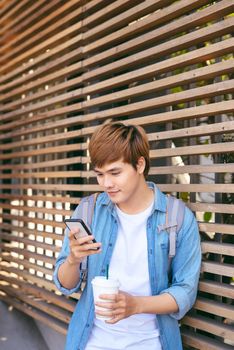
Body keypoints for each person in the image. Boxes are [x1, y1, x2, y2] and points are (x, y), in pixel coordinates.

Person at [54, 122, 201, 350]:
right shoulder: (88, 211)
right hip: (91, 343)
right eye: (100, 175)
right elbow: (65, 284)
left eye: (115, 173)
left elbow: (185, 292)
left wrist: (136, 305)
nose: (107, 184)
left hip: (151, 343)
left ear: (140, 164)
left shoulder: (177, 217)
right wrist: (73, 260)